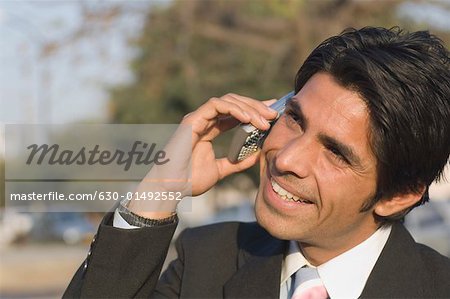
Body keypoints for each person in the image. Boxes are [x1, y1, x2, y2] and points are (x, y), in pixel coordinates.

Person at [64, 27, 450, 298]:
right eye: (295, 119)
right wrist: (161, 187)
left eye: (335, 152)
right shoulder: (207, 260)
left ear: (399, 194)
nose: (286, 158)